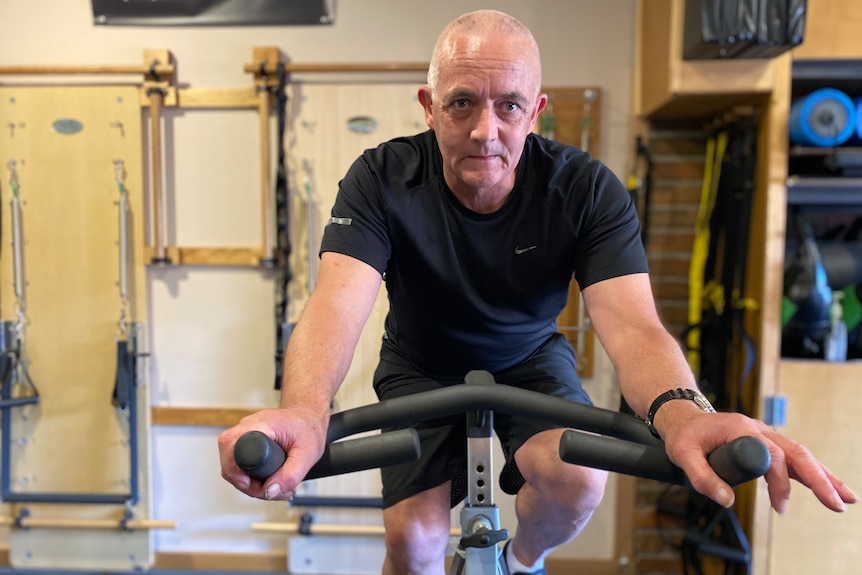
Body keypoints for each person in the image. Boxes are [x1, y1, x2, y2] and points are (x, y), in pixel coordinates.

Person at [219, 9, 856, 575]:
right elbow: (336, 301)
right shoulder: (381, 178)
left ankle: (522, 564)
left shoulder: (586, 189)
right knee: (412, 545)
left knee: (579, 480)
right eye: (462, 103)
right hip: (419, 366)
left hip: (529, 360)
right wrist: (304, 409)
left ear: (537, 110)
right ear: (429, 104)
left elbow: (633, 327)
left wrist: (686, 413)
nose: (484, 131)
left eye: (509, 106)